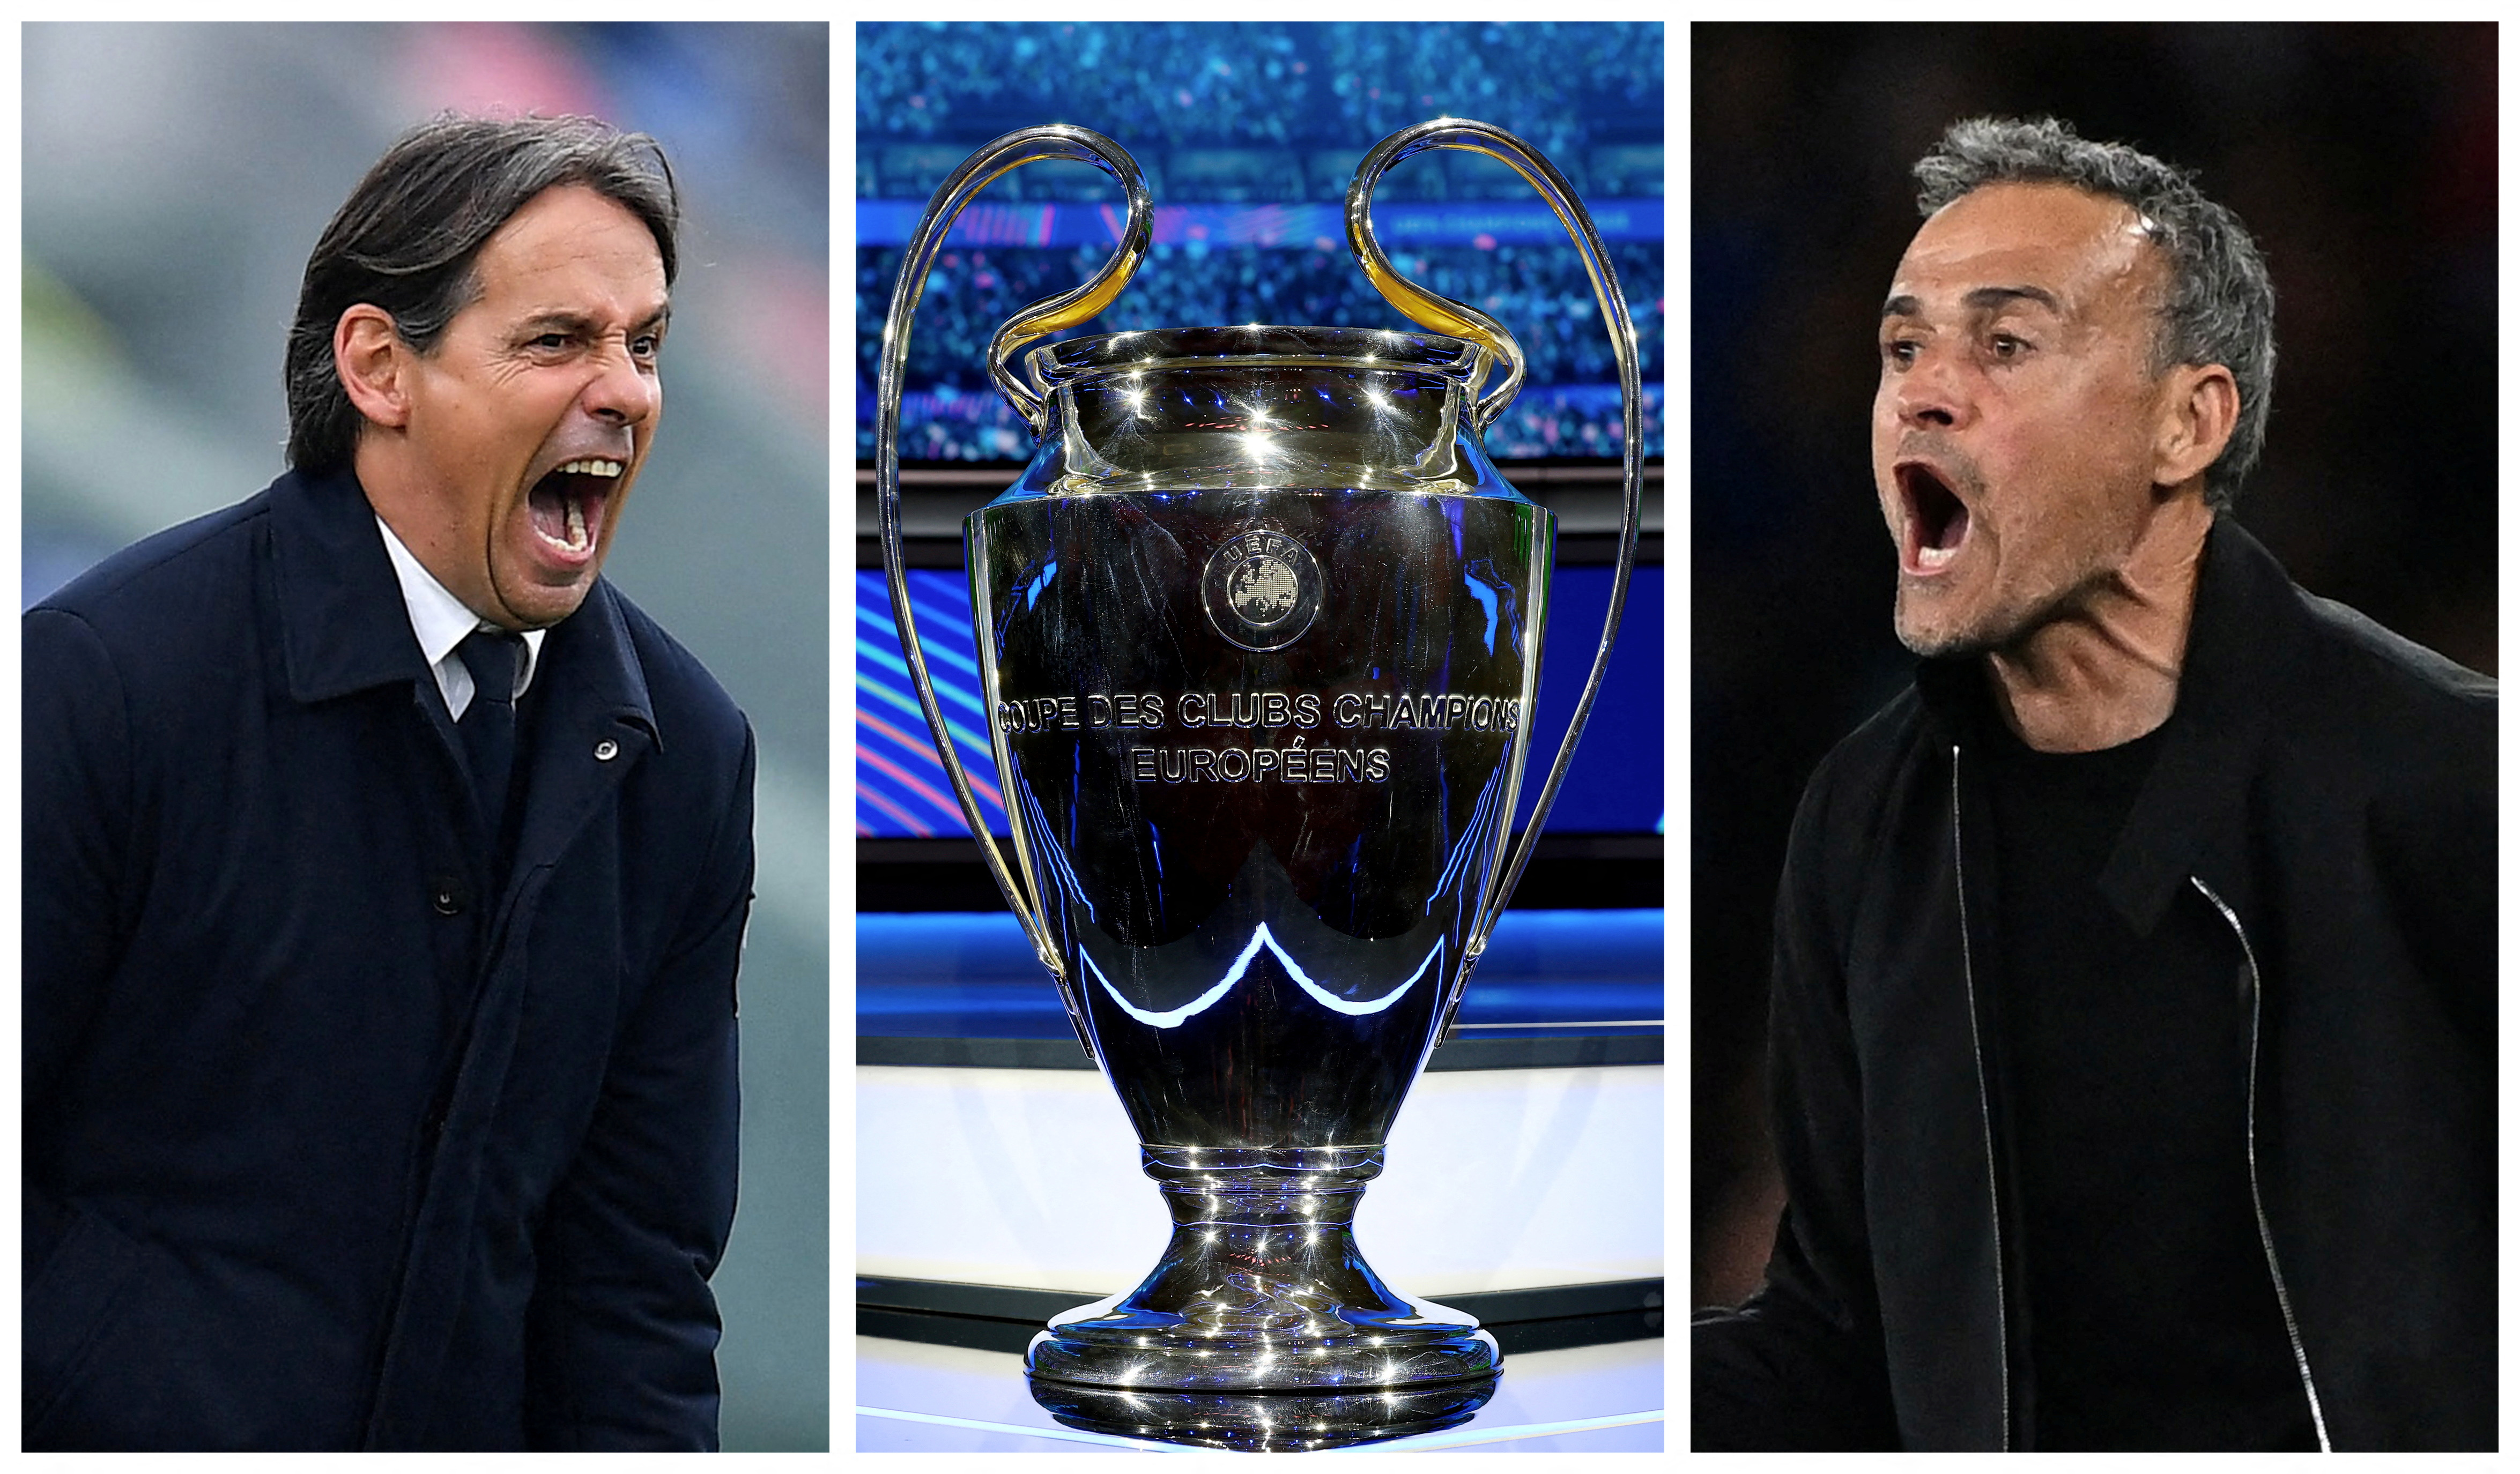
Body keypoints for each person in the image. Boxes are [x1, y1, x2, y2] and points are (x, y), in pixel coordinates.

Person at [1691, 116, 2493, 1451]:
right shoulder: (1865, 817)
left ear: (2190, 421)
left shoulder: (2452, 783)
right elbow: (1838, 1336)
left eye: (2004, 343)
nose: (1922, 393)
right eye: (1902, 348)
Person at [23, 115, 755, 1450]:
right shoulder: (104, 679)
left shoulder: (688, 759)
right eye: (557, 340)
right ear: (379, 366)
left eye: (643, 344)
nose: (629, 390)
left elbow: (638, 1285)